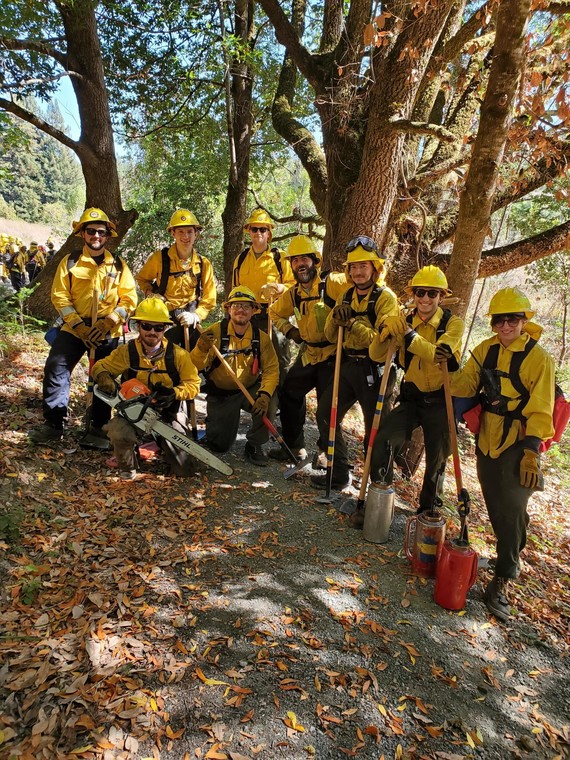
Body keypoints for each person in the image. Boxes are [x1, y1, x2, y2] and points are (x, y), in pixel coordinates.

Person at [450, 288, 554, 622]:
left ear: (524, 321)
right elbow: (465, 386)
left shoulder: (539, 359)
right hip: (487, 441)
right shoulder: (485, 350)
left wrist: (531, 453)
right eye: (500, 319)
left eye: (513, 319)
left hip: (519, 445)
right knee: (501, 508)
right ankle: (511, 546)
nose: (506, 325)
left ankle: (504, 577)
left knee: (509, 511)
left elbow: (541, 409)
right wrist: (445, 364)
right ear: (493, 323)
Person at [364, 265, 465, 527]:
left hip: (441, 401)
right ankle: (379, 496)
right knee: (384, 438)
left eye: (432, 293)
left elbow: (438, 354)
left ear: (441, 297)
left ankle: (426, 515)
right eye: (420, 292)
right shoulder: (404, 320)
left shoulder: (452, 325)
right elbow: (376, 356)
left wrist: (408, 335)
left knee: (437, 460)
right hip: (411, 397)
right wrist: (385, 332)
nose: (425, 298)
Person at [29, 208, 137, 447]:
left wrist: (108, 321)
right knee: (56, 368)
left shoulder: (118, 265)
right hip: (74, 328)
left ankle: (98, 428)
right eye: (91, 231)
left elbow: (129, 299)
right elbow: (60, 296)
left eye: (101, 232)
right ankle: (54, 425)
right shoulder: (70, 261)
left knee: (104, 377)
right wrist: (78, 325)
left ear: (108, 235)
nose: (96, 236)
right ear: (82, 234)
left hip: (107, 331)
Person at [311, 236, 400, 490]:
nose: (358, 271)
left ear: (375, 268)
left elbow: (380, 344)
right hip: (347, 365)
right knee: (326, 414)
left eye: (364, 266)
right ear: (348, 271)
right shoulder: (346, 295)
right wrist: (335, 319)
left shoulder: (386, 299)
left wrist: (352, 324)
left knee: (376, 432)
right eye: (353, 267)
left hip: (376, 371)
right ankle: (338, 473)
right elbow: (329, 335)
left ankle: (379, 489)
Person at [92, 297, 201, 480]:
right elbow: (101, 366)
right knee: (119, 430)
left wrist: (175, 393)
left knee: (185, 470)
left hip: (167, 412)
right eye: (147, 326)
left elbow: (194, 384)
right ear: (138, 326)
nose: (152, 332)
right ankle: (128, 467)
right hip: (134, 411)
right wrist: (103, 376)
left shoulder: (178, 355)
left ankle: (165, 448)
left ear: (165, 329)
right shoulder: (127, 352)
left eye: (158, 328)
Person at [267, 234, 348, 461]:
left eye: (304, 259)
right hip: (309, 353)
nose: (299, 264)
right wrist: (290, 330)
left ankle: (326, 454)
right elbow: (273, 312)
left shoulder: (332, 282)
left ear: (315, 261)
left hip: (333, 354)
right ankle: (294, 447)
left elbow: (364, 283)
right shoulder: (293, 293)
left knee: (326, 407)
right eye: (294, 260)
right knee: (290, 390)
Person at [190, 286, 279, 466]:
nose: (241, 309)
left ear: (254, 311)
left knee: (269, 401)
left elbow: (271, 370)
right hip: (222, 394)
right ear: (228, 309)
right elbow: (194, 366)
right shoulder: (214, 333)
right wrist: (201, 349)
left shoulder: (261, 338)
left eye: (246, 306)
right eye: (236, 305)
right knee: (219, 446)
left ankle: (255, 444)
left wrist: (264, 394)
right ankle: (218, 430)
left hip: (250, 388)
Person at [136, 209, 216, 348]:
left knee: (195, 361)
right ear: (173, 233)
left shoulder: (204, 264)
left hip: (191, 320)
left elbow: (210, 298)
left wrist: (196, 316)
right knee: (162, 360)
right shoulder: (159, 258)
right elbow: (142, 279)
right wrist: (150, 294)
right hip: (164, 319)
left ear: (196, 233)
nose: (186, 236)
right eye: (180, 231)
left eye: (190, 231)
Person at [232, 209, 295, 382]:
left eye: (262, 229)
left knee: (280, 361)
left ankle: (284, 404)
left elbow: (295, 286)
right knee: (248, 360)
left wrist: (278, 287)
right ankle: (255, 403)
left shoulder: (280, 258)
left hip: (274, 317)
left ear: (269, 233)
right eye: (254, 229)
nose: (258, 233)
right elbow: (234, 291)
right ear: (249, 232)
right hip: (248, 316)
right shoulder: (241, 259)